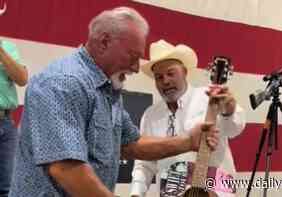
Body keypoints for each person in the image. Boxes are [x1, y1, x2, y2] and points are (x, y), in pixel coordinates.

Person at [8, 7, 220, 197]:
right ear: (104, 42)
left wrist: (188, 141)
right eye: (133, 56)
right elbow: (66, 168)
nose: (137, 68)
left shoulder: (108, 89)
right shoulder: (62, 83)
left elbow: (130, 143)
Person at [130, 40, 246, 197]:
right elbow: (145, 162)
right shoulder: (150, 115)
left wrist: (229, 109)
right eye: (159, 77)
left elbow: (234, 129)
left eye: (171, 73)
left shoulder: (210, 96)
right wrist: (136, 193)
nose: (165, 81)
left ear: (184, 72)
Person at [0, 39, 28, 197]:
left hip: (6, 124)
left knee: (7, 187)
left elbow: (22, 79)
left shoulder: (8, 47)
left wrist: (1, 52)